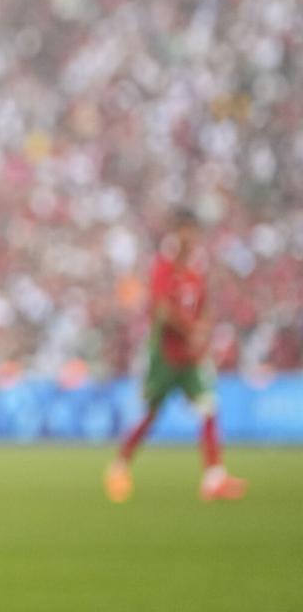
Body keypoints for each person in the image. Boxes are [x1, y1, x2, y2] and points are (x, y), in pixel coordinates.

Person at [105, 208, 246, 503]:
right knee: (151, 413)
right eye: (185, 230)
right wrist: (191, 331)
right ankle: (119, 466)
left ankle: (214, 478)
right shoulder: (163, 267)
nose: (190, 237)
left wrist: (203, 330)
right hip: (165, 355)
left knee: (209, 407)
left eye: (194, 231)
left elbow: (204, 305)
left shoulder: (195, 271)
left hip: (191, 356)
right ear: (176, 232)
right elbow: (161, 310)